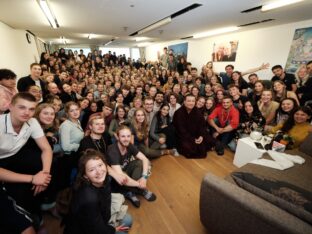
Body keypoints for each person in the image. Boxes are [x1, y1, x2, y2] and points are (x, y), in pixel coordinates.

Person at [0, 93, 52, 233]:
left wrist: (44, 174)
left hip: (14, 158)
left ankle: (34, 214)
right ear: (10, 107)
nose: (26, 112)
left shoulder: (32, 122)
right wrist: (33, 178)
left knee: (39, 165)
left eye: (31, 109)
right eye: (22, 107)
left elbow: (46, 149)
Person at [64, 149, 132, 234]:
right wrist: (113, 229)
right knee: (125, 227)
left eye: (100, 165)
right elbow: (96, 230)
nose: (99, 171)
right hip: (87, 229)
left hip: (102, 216)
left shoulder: (105, 178)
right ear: (85, 175)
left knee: (128, 219)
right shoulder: (89, 198)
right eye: (92, 170)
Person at [107, 125, 157, 208]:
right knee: (124, 176)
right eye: (123, 136)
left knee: (139, 163)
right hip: (116, 180)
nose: (126, 139)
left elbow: (145, 159)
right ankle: (134, 191)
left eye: (128, 136)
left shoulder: (129, 145)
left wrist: (144, 177)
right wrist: (140, 185)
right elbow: (121, 176)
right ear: (117, 137)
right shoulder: (113, 150)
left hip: (126, 170)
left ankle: (132, 190)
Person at [59, 101, 84, 189]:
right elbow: (65, 147)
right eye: (72, 110)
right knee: (67, 182)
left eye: (76, 109)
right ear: (67, 113)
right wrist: (80, 146)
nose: (75, 112)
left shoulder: (77, 121)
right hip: (68, 158)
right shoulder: (66, 125)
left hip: (75, 156)